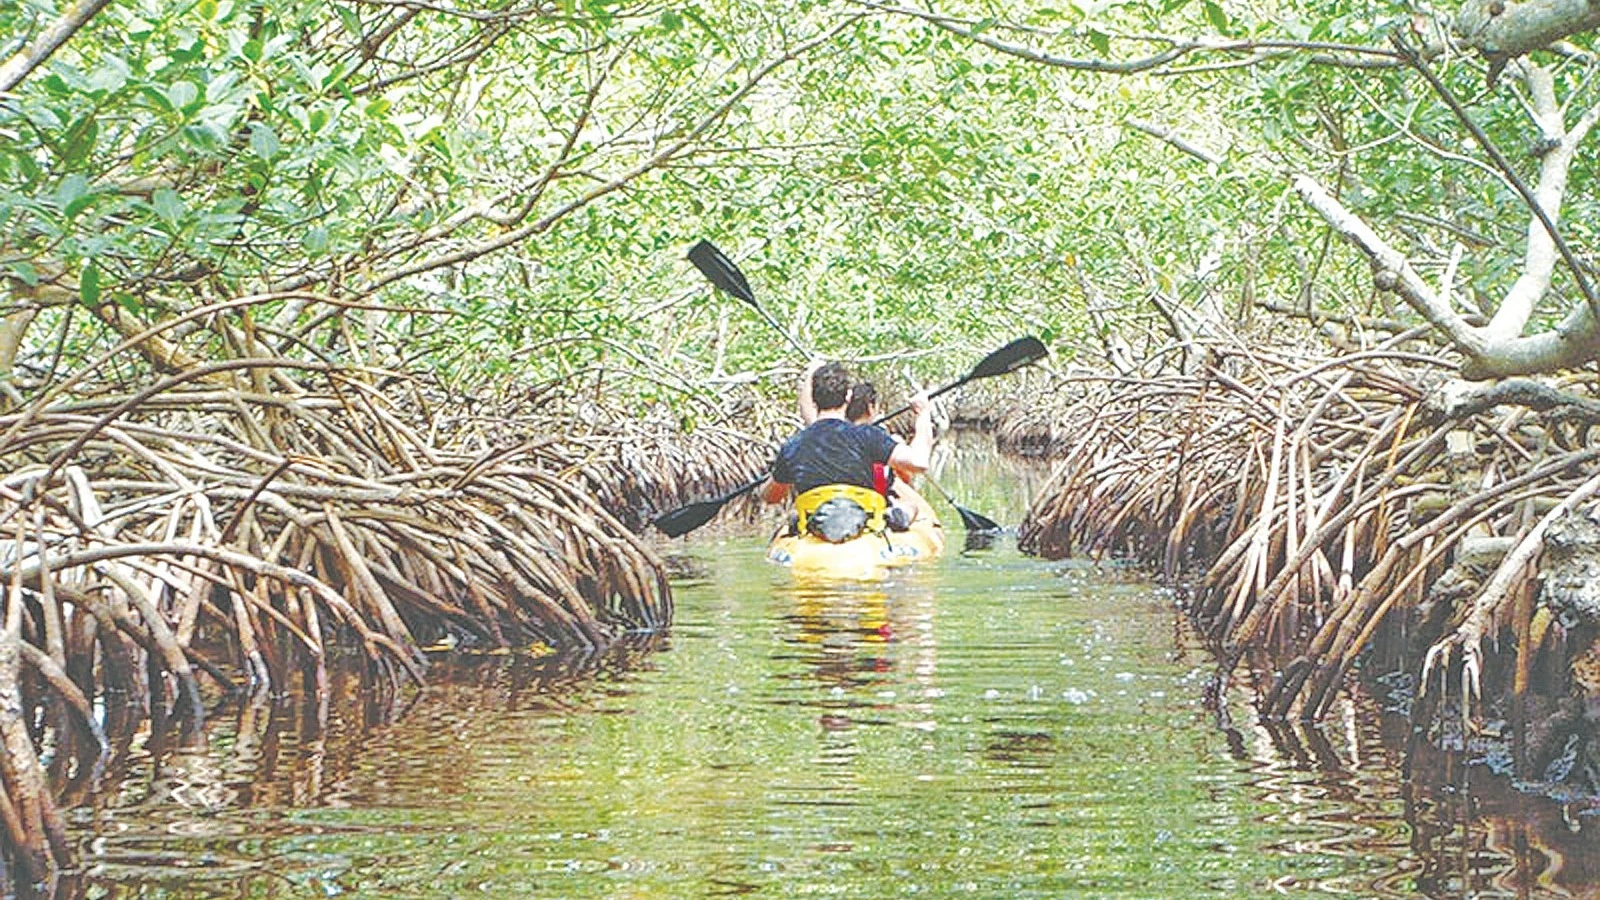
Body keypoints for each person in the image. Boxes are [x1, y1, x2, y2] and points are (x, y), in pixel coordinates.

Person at [763, 361, 933, 543]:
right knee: (911, 507)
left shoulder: (793, 445)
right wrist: (923, 414)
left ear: (814, 399)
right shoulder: (868, 435)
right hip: (866, 522)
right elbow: (919, 462)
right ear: (848, 397)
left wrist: (773, 478)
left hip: (814, 523)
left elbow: (771, 497)